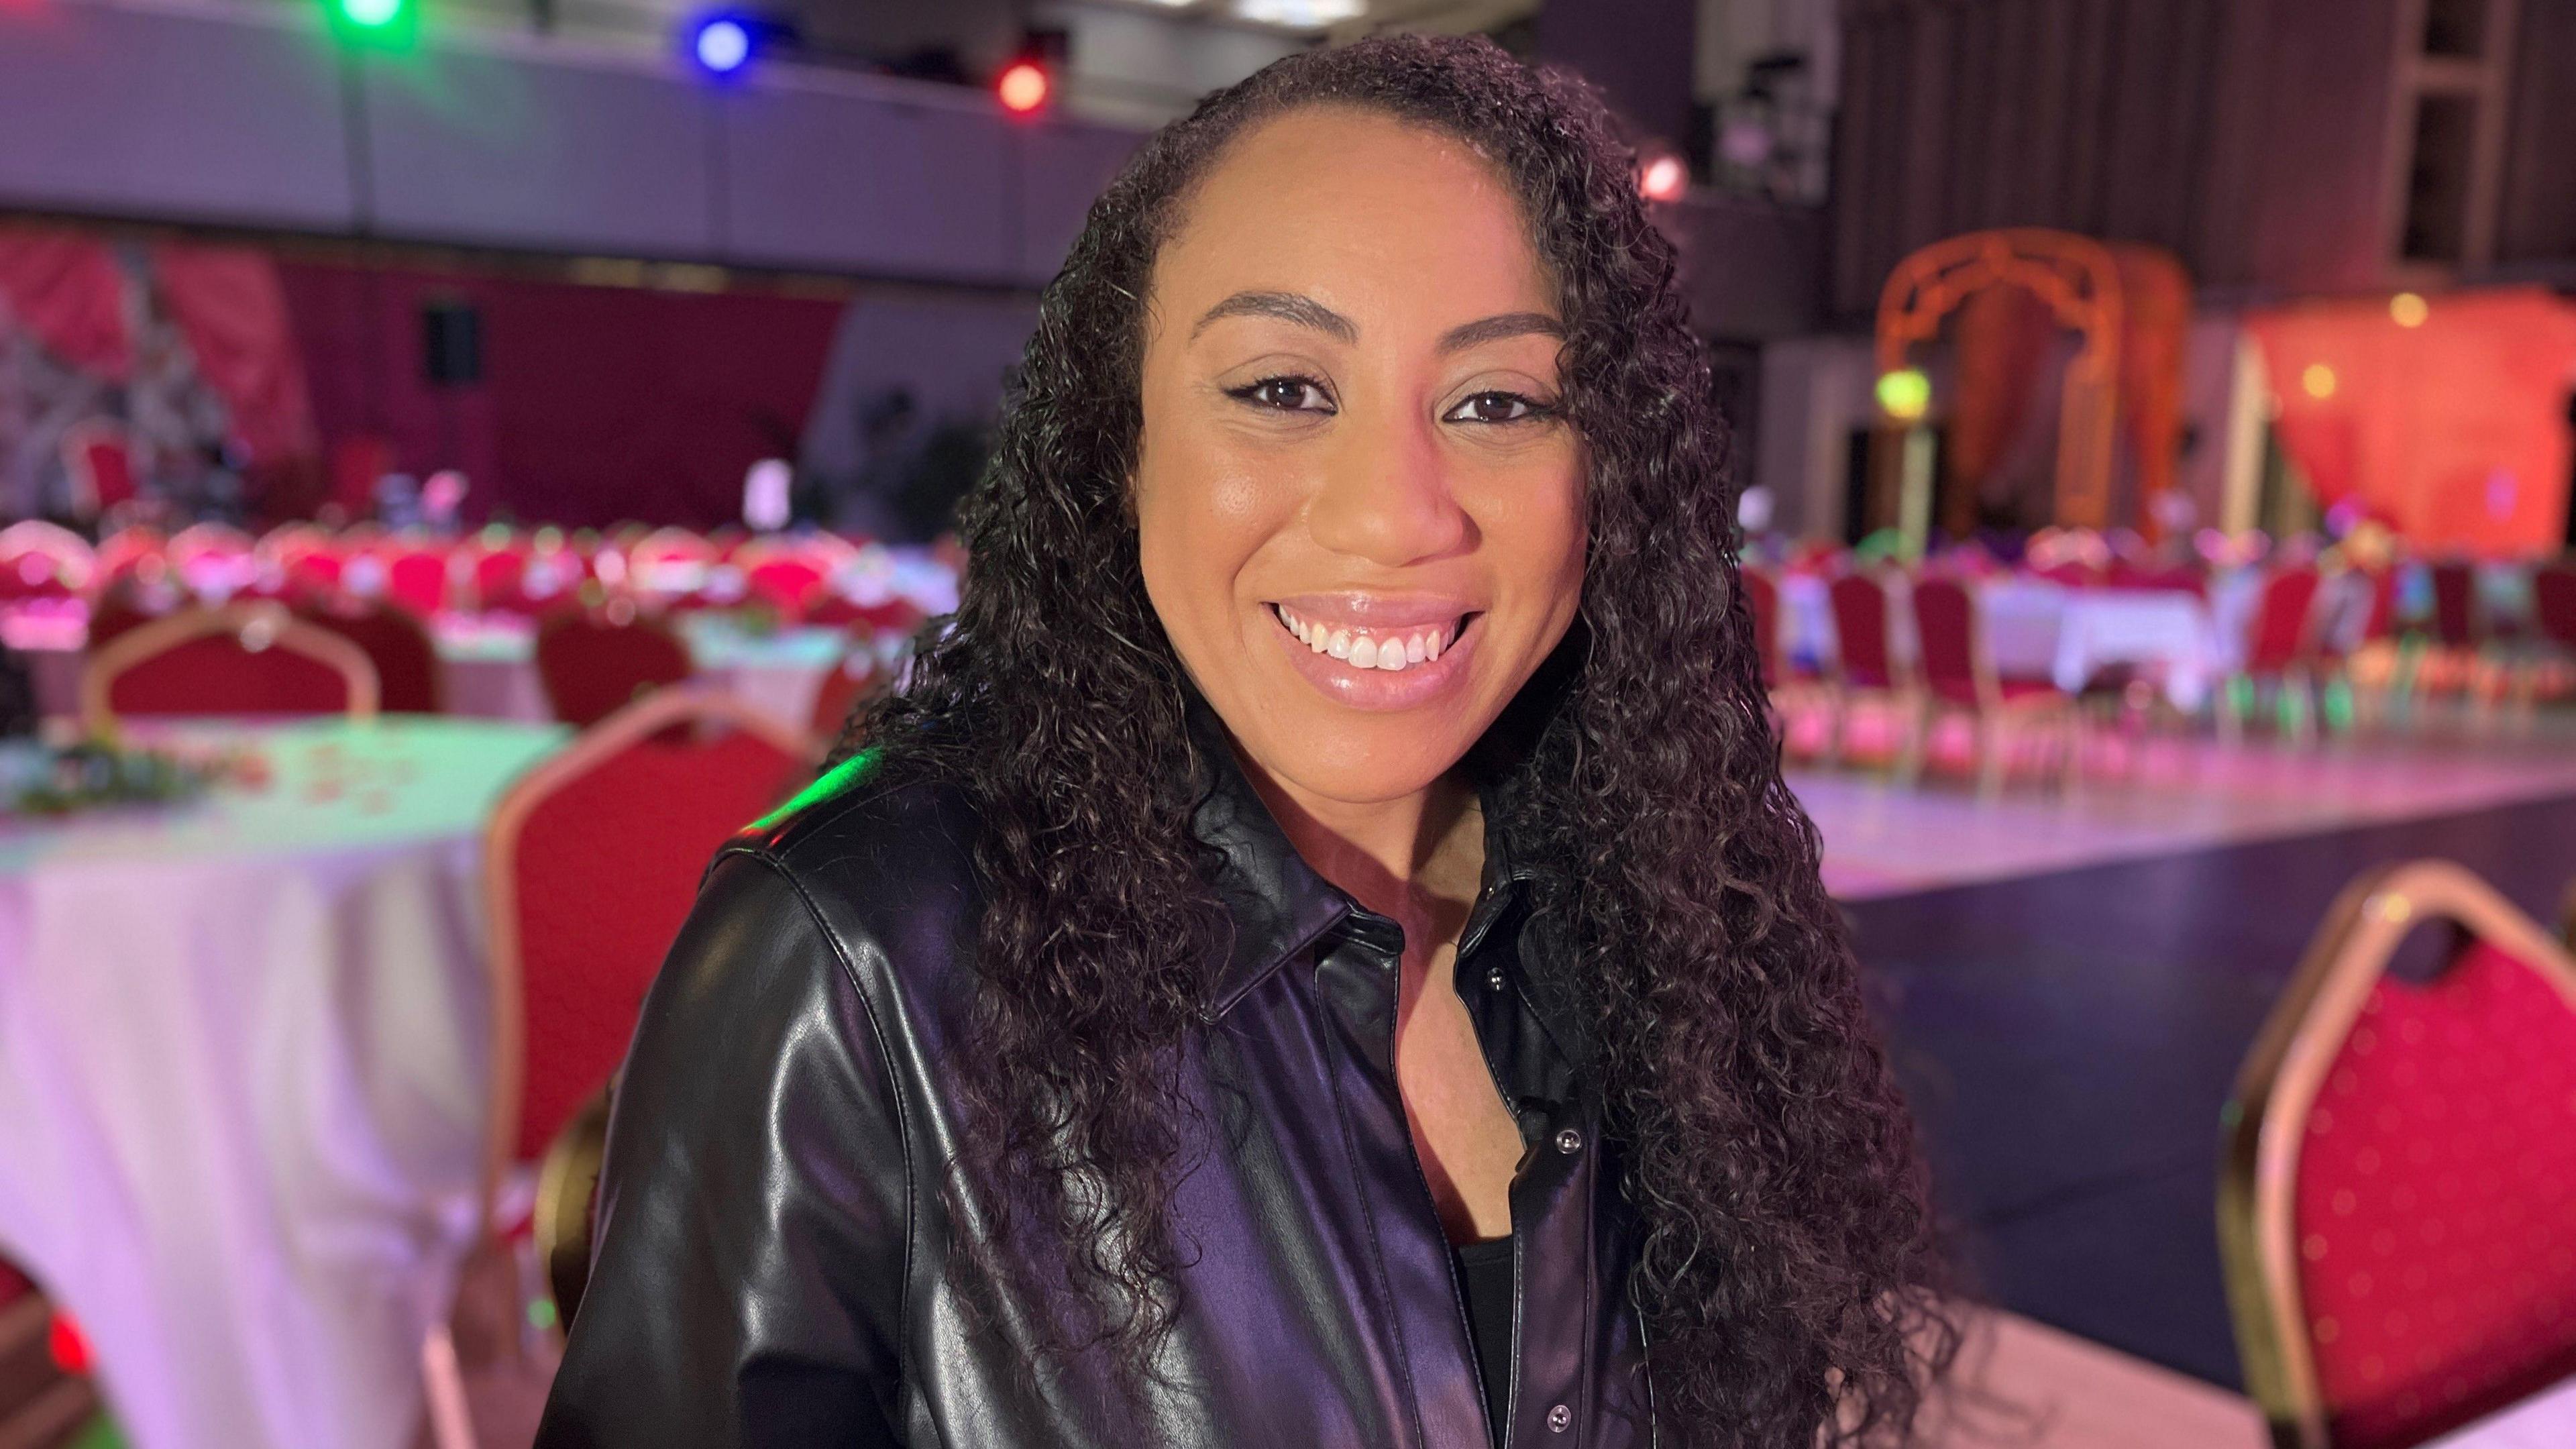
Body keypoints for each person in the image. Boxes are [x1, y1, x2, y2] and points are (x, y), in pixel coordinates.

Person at [537, 34, 1952, 1449]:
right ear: (1123, 437)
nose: (1399, 514)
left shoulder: (1656, 917)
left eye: (1499, 403)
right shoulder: (853, 959)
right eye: (1283, 390)